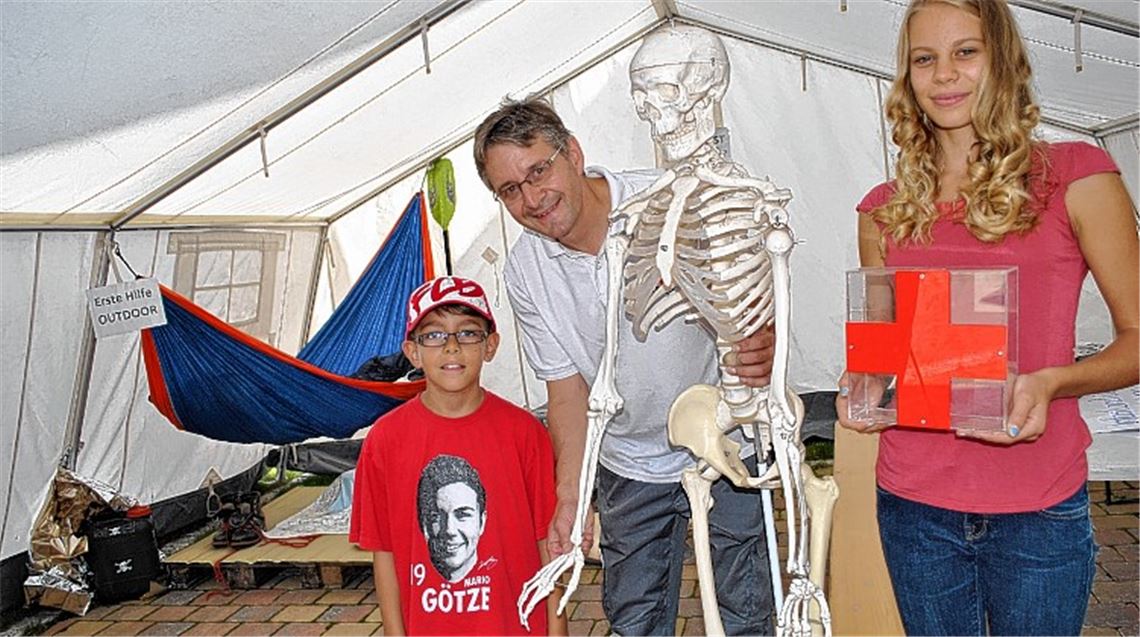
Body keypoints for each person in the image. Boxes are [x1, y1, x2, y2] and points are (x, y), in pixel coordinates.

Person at [836, 1, 1139, 635]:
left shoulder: (1078, 178)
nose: (945, 75)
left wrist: (1052, 382)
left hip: (1038, 507)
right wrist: (862, 385)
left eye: (965, 52)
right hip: (913, 507)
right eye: (925, 59)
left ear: (1002, 60)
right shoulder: (882, 212)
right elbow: (886, 361)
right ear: (907, 78)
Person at [474, 98, 778, 636]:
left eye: (538, 170)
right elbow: (566, 388)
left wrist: (763, 343)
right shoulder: (526, 267)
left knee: (747, 615)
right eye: (510, 191)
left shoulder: (672, 205)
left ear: (572, 152)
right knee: (633, 621)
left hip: (728, 444)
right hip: (628, 461)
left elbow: (750, 312)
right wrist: (570, 496)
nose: (532, 199)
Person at [349, 275, 565, 636]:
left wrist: (558, 632)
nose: (452, 347)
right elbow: (382, 551)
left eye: (467, 333)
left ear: (491, 345)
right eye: (434, 335)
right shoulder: (385, 439)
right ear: (412, 352)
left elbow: (549, 544)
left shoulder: (525, 433)